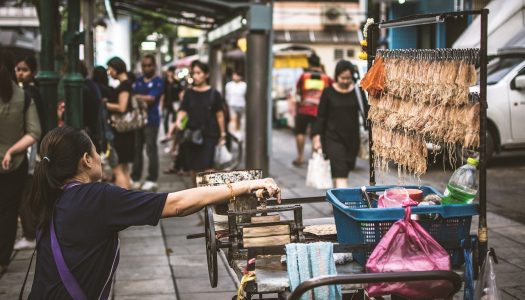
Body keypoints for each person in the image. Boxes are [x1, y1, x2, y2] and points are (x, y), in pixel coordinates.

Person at [27, 126, 280, 298]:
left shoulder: (52, 195)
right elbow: (176, 204)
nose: (100, 158)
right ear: (86, 159)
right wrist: (246, 185)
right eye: (96, 151)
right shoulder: (96, 198)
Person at [0, 48, 41, 274]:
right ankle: (2, 259)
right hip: (15, 164)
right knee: (7, 212)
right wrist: (11, 151)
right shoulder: (23, 97)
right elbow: (34, 132)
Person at [312, 60, 366, 188]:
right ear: (336, 76)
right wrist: (316, 137)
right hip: (332, 138)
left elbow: (366, 112)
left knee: (341, 172)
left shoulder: (358, 92)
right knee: (341, 172)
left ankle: (336, 203)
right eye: (342, 78)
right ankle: (342, 206)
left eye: (348, 78)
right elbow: (321, 116)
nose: (345, 81)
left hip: (352, 140)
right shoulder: (328, 92)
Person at [173, 60, 226, 176]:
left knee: (207, 168)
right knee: (194, 169)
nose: (196, 76)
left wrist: (222, 134)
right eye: (194, 73)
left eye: (199, 73)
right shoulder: (188, 93)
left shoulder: (214, 93)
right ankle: (196, 192)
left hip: (209, 134)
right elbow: (183, 110)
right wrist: (178, 121)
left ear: (206, 75)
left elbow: (220, 115)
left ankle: (209, 193)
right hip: (191, 133)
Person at [12, 55, 43, 251]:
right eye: (18, 69)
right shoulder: (30, 92)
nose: (20, 73)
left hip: (30, 150)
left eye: (24, 69)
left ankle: (30, 233)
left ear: (32, 72)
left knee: (25, 191)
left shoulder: (28, 94)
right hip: (32, 148)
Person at [291, 53, 332, 167]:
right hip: (319, 110)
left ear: (309, 63)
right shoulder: (326, 78)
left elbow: (297, 91)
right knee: (316, 133)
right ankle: (315, 157)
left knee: (300, 132)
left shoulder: (304, 76)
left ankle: (300, 157)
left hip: (304, 108)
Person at [131, 54, 164, 191]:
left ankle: (152, 179)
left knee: (151, 149)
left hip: (151, 120)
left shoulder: (158, 81)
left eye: (149, 65)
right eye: (144, 65)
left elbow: (151, 98)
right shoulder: (138, 81)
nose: (146, 68)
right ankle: (136, 177)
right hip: (137, 121)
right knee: (136, 149)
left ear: (154, 66)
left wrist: (138, 97)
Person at [104, 57, 134, 189]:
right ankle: (130, 200)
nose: (109, 72)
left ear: (116, 69)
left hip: (121, 132)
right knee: (125, 168)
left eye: (110, 69)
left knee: (119, 168)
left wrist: (106, 104)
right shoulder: (127, 83)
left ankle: (124, 201)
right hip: (126, 131)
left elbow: (122, 107)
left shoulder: (125, 85)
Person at [224, 70, 246, 138]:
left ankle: (240, 134)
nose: (234, 76)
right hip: (232, 104)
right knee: (233, 119)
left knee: (240, 120)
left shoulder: (244, 85)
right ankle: (234, 134)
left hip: (241, 105)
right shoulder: (229, 85)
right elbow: (227, 95)